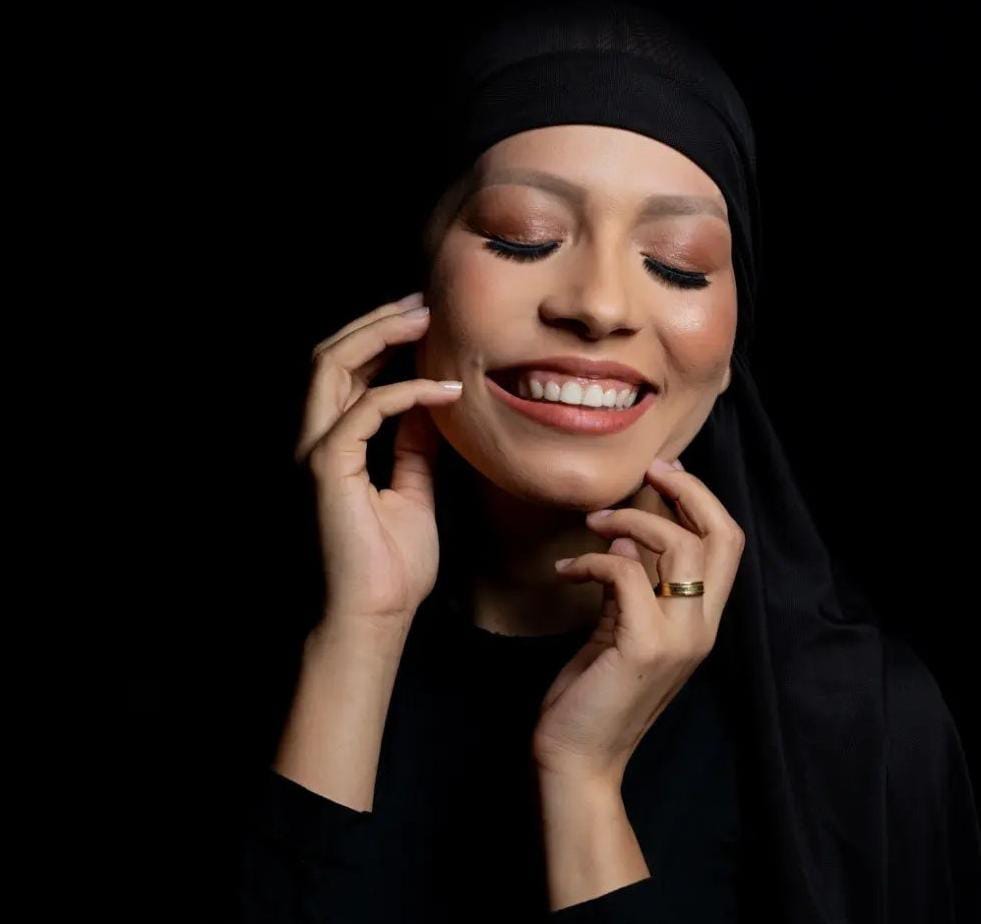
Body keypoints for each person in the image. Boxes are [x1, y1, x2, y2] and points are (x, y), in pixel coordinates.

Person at [234, 3, 981, 922]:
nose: (598, 305)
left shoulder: (871, 732)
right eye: (522, 235)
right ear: (416, 282)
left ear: (731, 346)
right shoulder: (237, 659)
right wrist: (358, 636)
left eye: (677, 263)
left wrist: (583, 781)